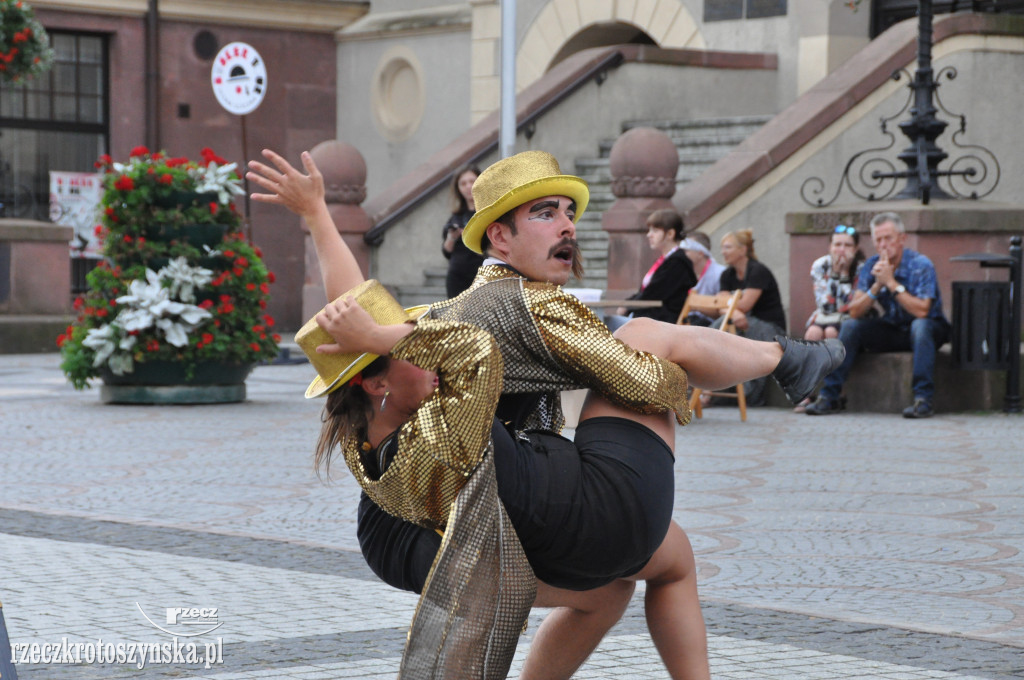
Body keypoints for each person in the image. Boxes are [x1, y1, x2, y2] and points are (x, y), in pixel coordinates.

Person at [248, 148, 845, 680]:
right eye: (545, 213)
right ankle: (787, 359)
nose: (567, 226)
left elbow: (349, 314)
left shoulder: (398, 389)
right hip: (583, 508)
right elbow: (629, 375)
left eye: (569, 212)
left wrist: (319, 218)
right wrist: (673, 384)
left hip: (466, 530)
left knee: (611, 591)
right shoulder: (461, 364)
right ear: (499, 239)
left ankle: (788, 360)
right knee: (643, 336)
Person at [805, 212, 951, 418]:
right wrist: (877, 285)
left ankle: (923, 400)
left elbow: (922, 310)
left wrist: (891, 282)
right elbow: (854, 311)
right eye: (878, 240)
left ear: (902, 239)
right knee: (850, 326)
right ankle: (829, 396)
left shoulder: (921, 264)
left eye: (888, 238)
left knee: (920, 326)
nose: (883, 245)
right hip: (893, 328)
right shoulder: (873, 265)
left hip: (929, 330)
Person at [793, 225, 865, 412]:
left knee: (832, 332)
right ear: (830, 246)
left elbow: (848, 305)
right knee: (813, 333)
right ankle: (805, 393)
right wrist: (834, 273)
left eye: (847, 245)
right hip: (824, 315)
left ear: (855, 249)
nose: (841, 250)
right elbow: (825, 304)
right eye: (837, 244)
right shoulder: (820, 265)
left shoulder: (861, 268)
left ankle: (833, 393)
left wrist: (842, 275)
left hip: (849, 319)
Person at [606, 209, 697, 329]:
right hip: (651, 318)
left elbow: (653, 294)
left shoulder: (677, 263)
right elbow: (646, 292)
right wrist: (627, 304)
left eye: (655, 230)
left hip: (662, 323)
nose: (649, 235)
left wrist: (627, 306)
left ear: (670, 234)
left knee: (608, 324)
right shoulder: (667, 260)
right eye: (650, 230)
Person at [441, 164, 484, 297]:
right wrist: (452, 237)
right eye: (463, 183)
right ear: (458, 189)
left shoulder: (488, 213)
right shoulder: (455, 217)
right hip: (457, 277)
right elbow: (447, 252)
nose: (468, 187)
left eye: (472, 181)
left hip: (482, 277)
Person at [678, 231, 726, 326]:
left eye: (685, 251)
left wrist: (695, 304)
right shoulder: (682, 274)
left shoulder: (720, 273)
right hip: (687, 323)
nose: (681, 255)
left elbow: (723, 312)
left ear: (700, 254)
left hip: (710, 328)